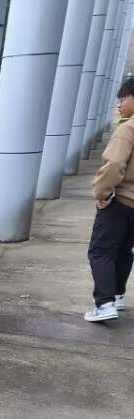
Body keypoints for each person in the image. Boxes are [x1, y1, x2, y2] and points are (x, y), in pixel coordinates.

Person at [86, 76, 134, 322]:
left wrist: (102, 194)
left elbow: (114, 164)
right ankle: (116, 296)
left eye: (123, 99)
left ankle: (104, 304)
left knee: (101, 252)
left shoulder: (128, 129)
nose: (119, 104)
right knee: (125, 250)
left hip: (121, 202)